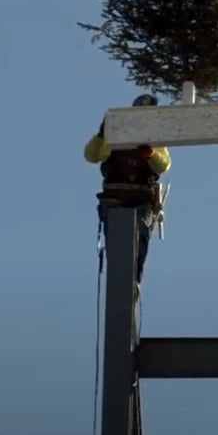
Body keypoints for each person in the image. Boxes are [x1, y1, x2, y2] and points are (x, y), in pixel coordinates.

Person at [84, 93, 171, 291]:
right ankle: (120, 283)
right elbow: (91, 155)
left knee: (139, 240)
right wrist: (101, 135)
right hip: (115, 199)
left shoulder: (155, 140)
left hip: (141, 201)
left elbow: (162, 165)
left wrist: (150, 153)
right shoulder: (115, 137)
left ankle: (133, 282)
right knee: (116, 246)